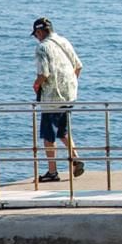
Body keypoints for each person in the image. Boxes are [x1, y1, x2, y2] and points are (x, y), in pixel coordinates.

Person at [31, 17, 85, 183]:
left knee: (49, 135)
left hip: (52, 97)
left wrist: (36, 85)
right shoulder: (64, 41)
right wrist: (69, 85)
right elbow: (78, 66)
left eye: (36, 34)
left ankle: (52, 171)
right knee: (62, 130)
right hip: (69, 94)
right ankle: (75, 159)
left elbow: (44, 74)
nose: (36, 37)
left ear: (40, 32)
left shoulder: (42, 47)